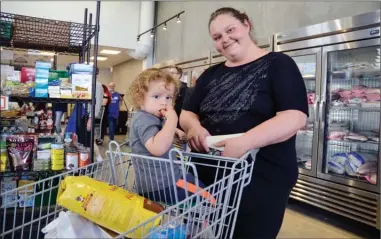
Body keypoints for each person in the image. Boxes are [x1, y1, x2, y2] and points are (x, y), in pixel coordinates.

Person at [180, 7, 308, 239]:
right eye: (217, 37)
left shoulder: (278, 64)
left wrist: (245, 141)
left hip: (261, 177)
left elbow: (294, 116)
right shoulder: (210, 74)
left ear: (246, 25)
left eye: (230, 30)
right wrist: (194, 127)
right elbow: (186, 113)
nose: (225, 39)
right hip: (209, 177)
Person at [128, 68, 211, 205]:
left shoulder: (151, 117)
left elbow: (158, 133)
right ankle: (202, 222)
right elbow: (157, 148)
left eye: (168, 97)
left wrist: (175, 131)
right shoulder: (144, 119)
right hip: (165, 183)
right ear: (140, 98)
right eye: (156, 96)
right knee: (209, 200)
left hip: (158, 182)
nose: (164, 102)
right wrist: (173, 119)